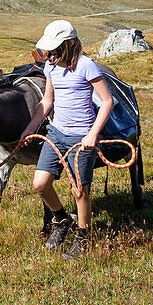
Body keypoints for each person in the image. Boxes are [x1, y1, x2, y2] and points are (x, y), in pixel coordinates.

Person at [20, 20, 114, 258]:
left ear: (69, 44)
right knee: (40, 183)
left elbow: (107, 101)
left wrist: (92, 134)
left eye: (54, 49)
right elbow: (47, 102)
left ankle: (84, 236)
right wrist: (29, 129)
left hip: (81, 137)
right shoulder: (51, 67)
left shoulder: (86, 66)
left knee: (79, 191)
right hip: (56, 134)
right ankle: (62, 219)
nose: (50, 54)